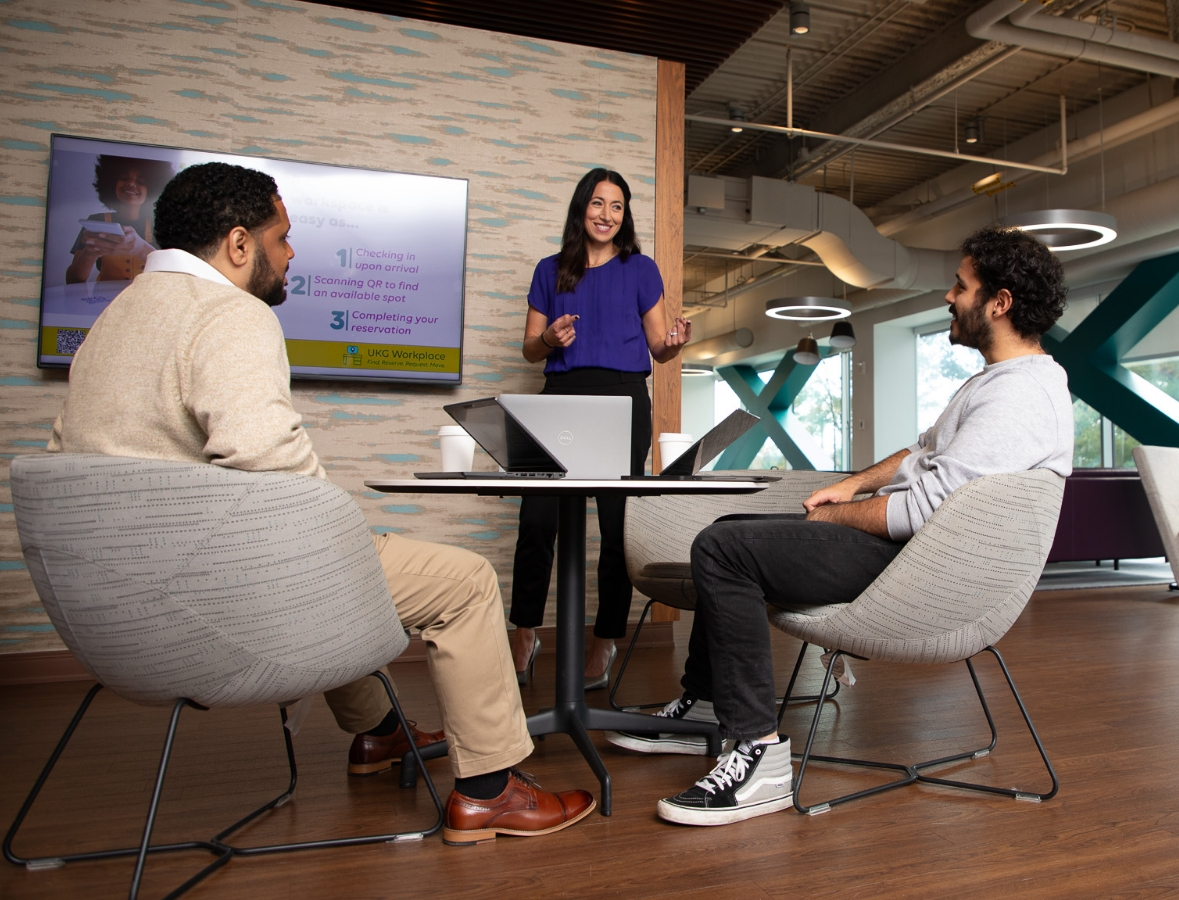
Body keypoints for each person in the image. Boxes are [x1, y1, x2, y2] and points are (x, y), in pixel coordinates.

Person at [47, 161, 594, 845]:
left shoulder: (115, 316)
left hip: (116, 612)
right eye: (282, 237)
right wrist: (348, 536)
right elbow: (273, 474)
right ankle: (489, 792)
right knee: (459, 579)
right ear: (240, 245)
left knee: (340, 562)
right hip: (211, 602)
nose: (292, 253)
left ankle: (380, 733)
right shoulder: (228, 314)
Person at [606, 224, 1077, 826]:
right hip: (909, 550)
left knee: (725, 548)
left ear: (999, 302)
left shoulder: (1020, 399)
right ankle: (707, 703)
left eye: (960, 286)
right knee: (729, 530)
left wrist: (840, 512)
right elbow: (920, 453)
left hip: (916, 565)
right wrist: (855, 484)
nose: (949, 297)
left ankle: (758, 753)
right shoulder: (999, 383)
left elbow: (924, 509)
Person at [512, 168, 692, 689]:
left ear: (624, 214)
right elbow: (529, 347)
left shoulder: (642, 270)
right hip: (562, 397)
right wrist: (547, 337)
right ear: (581, 208)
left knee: (615, 528)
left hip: (622, 398)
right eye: (597, 203)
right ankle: (524, 630)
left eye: (616, 206)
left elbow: (658, 349)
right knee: (537, 522)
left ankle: (604, 639)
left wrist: (674, 344)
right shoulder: (550, 269)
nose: (606, 215)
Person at [64, 155, 174, 284]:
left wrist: (141, 249)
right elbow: (72, 280)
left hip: (147, 300)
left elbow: (174, 279)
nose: (131, 184)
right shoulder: (96, 221)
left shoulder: (162, 225)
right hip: (105, 302)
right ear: (111, 182)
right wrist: (89, 253)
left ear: (152, 189)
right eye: (124, 178)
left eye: (141, 181)